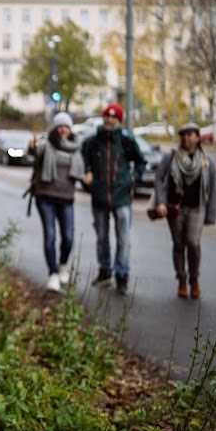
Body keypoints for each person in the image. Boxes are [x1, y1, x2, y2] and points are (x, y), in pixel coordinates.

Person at [81, 103, 146, 295]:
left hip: (121, 197)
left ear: (119, 120)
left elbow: (141, 161)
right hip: (99, 196)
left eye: (114, 118)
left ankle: (122, 275)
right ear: (103, 118)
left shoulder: (126, 142)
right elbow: (81, 163)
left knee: (123, 239)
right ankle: (105, 272)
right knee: (102, 238)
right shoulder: (91, 143)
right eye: (107, 117)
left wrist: (134, 177)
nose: (109, 120)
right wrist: (87, 174)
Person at [153, 122, 216, 300]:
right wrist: (161, 202)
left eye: (190, 135)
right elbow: (158, 178)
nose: (186, 138)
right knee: (179, 244)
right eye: (183, 135)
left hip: (197, 208)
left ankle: (194, 278)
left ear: (197, 137)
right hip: (175, 209)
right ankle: (181, 279)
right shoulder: (171, 157)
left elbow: (212, 190)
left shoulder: (206, 161)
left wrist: (211, 214)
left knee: (193, 242)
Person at [29, 112, 86, 292]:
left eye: (66, 127)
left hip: (66, 198)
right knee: (50, 235)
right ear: (55, 128)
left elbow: (84, 169)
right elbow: (35, 153)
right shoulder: (46, 144)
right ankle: (52, 273)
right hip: (45, 197)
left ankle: (63, 265)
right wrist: (32, 147)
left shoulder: (76, 148)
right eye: (60, 126)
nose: (63, 130)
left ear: (70, 129)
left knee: (68, 237)